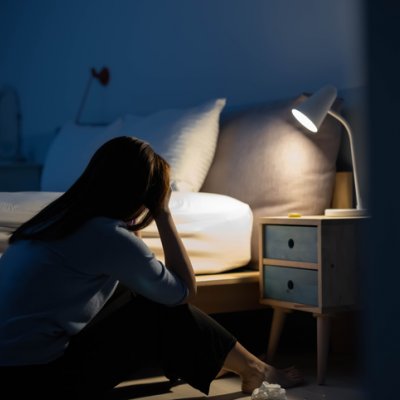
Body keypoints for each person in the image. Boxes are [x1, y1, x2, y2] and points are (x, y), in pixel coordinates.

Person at [0, 136, 302, 399]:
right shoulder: (105, 236)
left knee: (137, 289)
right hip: (39, 382)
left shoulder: (54, 220)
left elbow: (137, 270)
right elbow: (183, 291)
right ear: (141, 194)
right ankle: (254, 369)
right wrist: (163, 212)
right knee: (159, 305)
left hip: (11, 374)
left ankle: (218, 360)